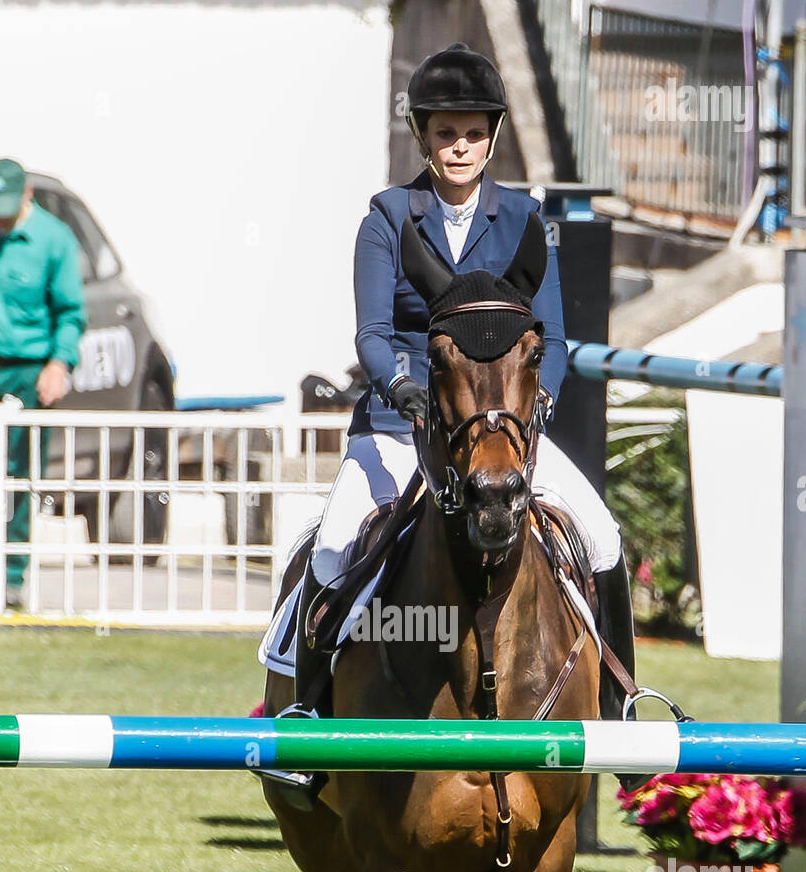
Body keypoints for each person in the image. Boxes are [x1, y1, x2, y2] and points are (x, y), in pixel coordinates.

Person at [260, 44, 635, 753]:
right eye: (443, 133)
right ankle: (305, 717)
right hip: (401, 428)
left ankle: (620, 715)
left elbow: (550, 341)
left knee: (604, 537)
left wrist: (537, 411)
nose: (458, 147)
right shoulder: (388, 218)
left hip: (502, 431)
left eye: (471, 133)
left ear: (492, 137)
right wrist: (403, 391)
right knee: (337, 548)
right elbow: (372, 334)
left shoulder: (524, 221)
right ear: (423, 137)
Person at [0, 158, 86, 607]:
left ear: (27, 196)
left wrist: (59, 363)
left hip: (26, 372)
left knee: (20, 476)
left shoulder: (53, 239)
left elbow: (70, 313)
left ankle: (12, 576)